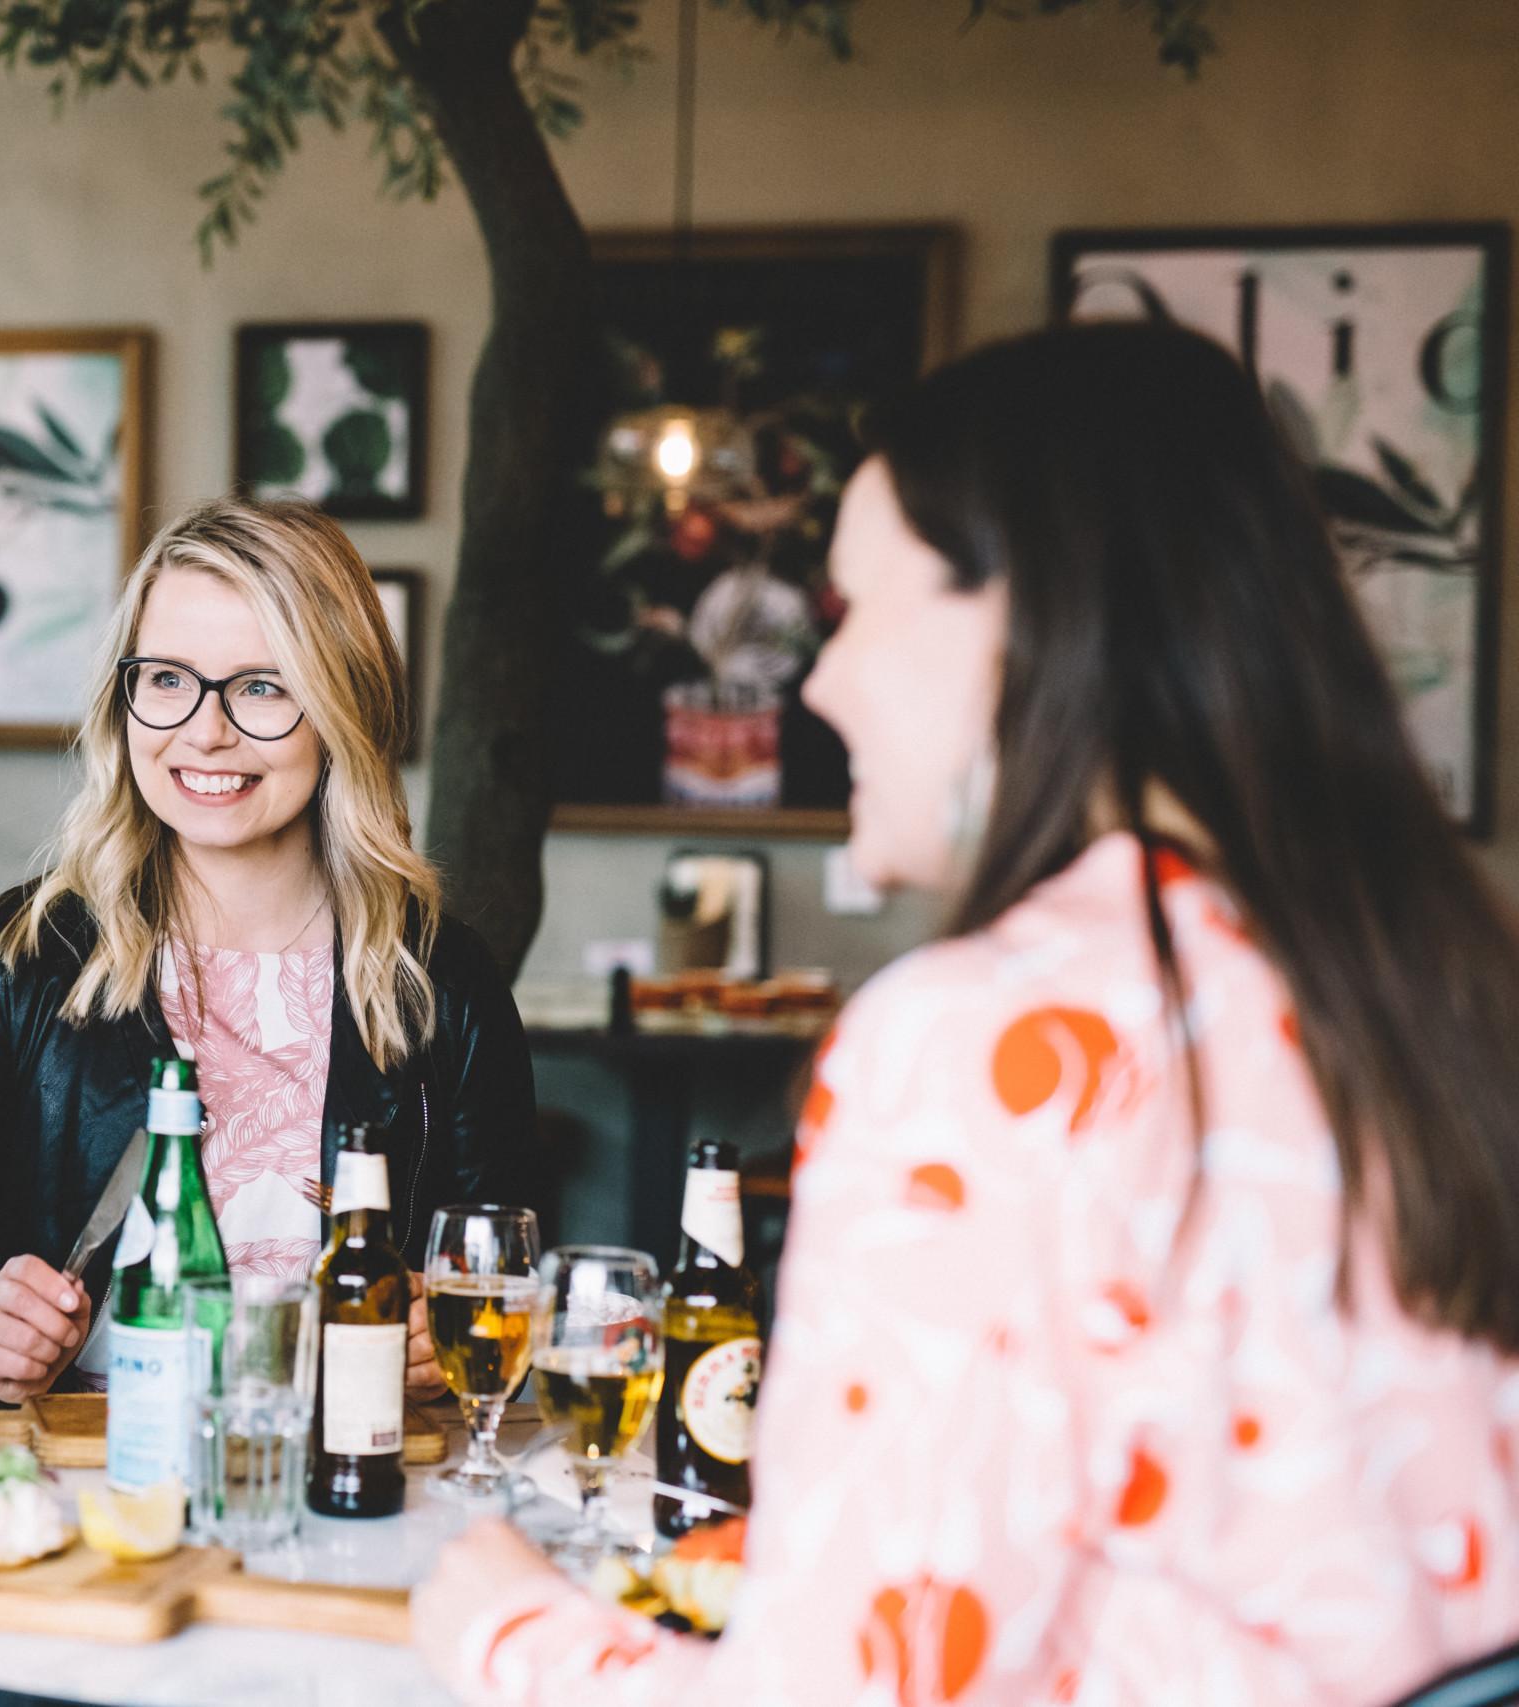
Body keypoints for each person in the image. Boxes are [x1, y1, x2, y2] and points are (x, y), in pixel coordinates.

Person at [416, 320, 1519, 1704]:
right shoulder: (1417, 978)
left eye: (856, 609)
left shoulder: (989, 1041)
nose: (819, 681)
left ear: (1027, 613)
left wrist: (510, 1626)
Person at [0, 497, 535, 1405]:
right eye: (168, 678)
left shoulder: (440, 983)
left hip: (338, 1496)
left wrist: (441, 1337)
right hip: (89, 1498)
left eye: (261, 686)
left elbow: (509, 1289)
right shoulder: (15, 959)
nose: (204, 730)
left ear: (340, 706)